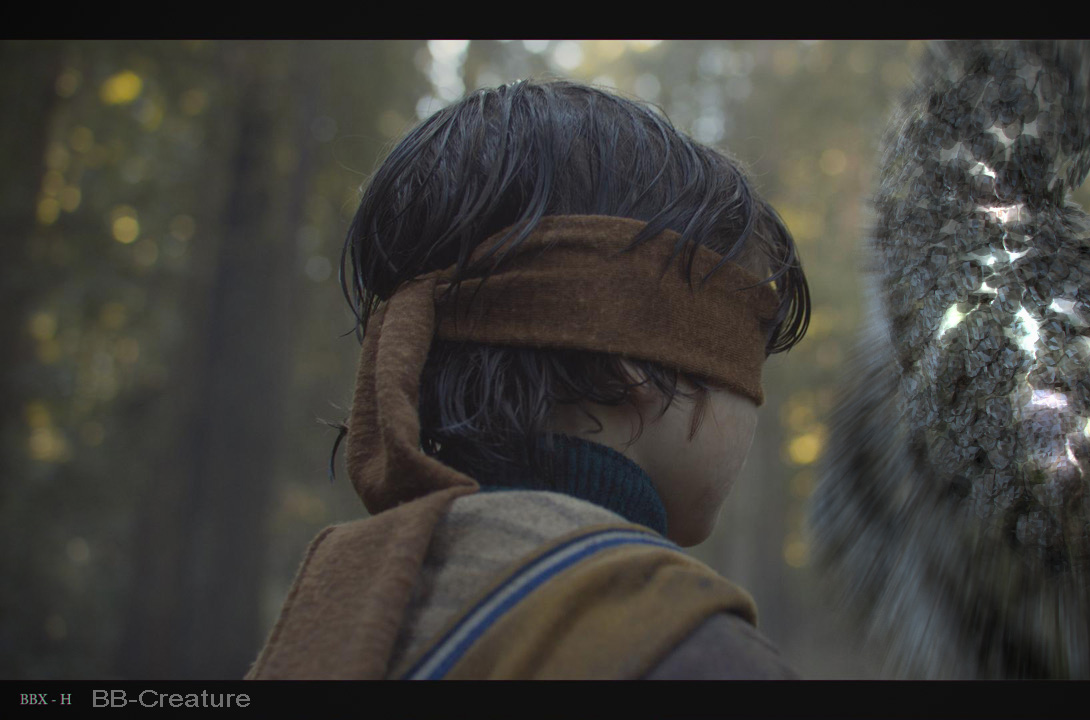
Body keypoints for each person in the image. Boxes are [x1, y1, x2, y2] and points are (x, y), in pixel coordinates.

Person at [246, 79, 810, 680]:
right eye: (746, 348)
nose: (755, 398)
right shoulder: (681, 647)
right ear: (626, 349)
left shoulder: (339, 606)